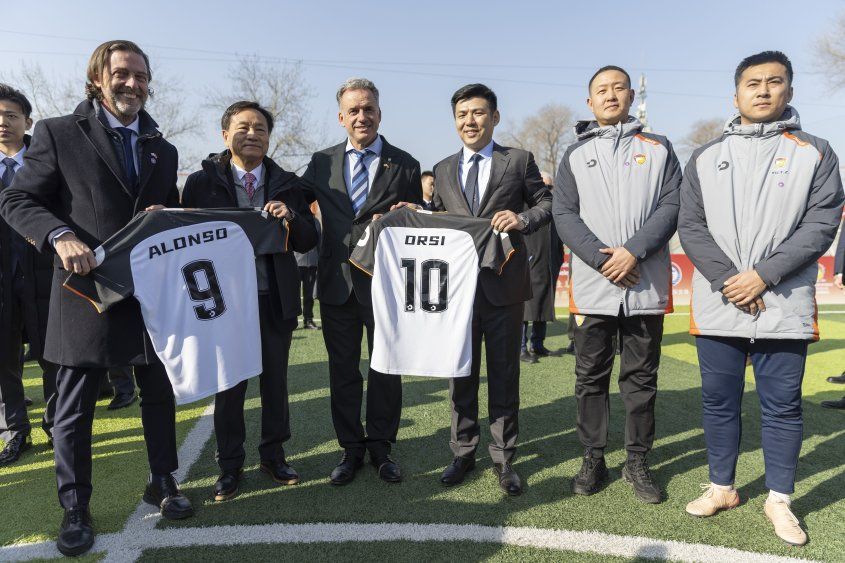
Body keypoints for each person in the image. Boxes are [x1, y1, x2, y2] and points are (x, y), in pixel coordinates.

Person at [0, 40, 194, 556]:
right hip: (82, 295)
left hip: (149, 296)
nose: (133, 84)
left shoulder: (164, 148)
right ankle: (75, 507)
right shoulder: (58, 132)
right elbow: (17, 198)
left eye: (141, 76)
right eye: (122, 74)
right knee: (75, 409)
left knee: (159, 394)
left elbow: (165, 213)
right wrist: (59, 236)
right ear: (97, 80)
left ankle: (163, 481)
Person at [678, 51, 844, 546]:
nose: (764, 90)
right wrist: (733, 280)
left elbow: (821, 224)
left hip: (783, 305)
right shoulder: (706, 155)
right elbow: (691, 225)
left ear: (789, 92)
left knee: (782, 406)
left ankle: (780, 499)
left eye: (775, 82)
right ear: (736, 95)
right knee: (718, 403)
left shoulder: (816, 151)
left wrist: (763, 277)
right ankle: (722, 486)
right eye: (754, 83)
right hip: (720, 302)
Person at [554, 65, 681, 504]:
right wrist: (601, 259)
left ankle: (637, 460)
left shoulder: (660, 148)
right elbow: (564, 215)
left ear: (631, 95)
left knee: (641, 378)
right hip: (593, 287)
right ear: (589, 102)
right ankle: (593, 456)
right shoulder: (574, 153)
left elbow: (671, 206)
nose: (610, 96)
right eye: (600, 91)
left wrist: (633, 252)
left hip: (643, 286)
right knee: (590, 376)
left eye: (618, 88)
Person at [182, 100, 317, 501]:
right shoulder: (201, 182)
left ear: (269, 137)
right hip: (223, 303)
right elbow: (184, 238)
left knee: (275, 382)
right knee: (229, 386)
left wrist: (291, 216)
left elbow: (310, 239)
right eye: (243, 127)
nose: (252, 134)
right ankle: (229, 465)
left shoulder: (289, 182)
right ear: (225, 134)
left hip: (273, 297)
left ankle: (274, 455)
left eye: (260, 128)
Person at [429, 83, 552, 495]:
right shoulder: (443, 168)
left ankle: (503, 458)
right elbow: (436, 221)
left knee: (504, 376)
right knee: (459, 375)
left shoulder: (518, 160)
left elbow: (547, 204)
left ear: (494, 117)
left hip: (504, 287)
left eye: (479, 113)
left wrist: (522, 219)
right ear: (455, 121)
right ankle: (462, 452)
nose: (470, 121)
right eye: (463, 114)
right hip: (456, 293)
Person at [299, 78, 422, 485]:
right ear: (341, 118)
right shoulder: (320, 162)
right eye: (353, 110)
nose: (361, 116)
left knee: (386, 368)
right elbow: (291, 198)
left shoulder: (404, 163)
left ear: (379, 114)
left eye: (368, 108)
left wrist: (412, 210)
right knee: (343, 371)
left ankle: (382, 447)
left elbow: (419, 217)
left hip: (385, 284)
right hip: (336, 285)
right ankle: (351, 449)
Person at [0, 83, 57, 463]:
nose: (3, 123)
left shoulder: (48, 162)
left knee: (53, 352)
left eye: (10, 115)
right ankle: (15, 431)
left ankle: (57, 425)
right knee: (4, 357)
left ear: (27, 121)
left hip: (46, 273)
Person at [521, 173, 563, 363]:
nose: (547, 190)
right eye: (543, 185)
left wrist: (558, 258)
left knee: (544, 304)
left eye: (550, 186)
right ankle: (521, 347)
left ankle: (537, 344)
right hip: (528, 263)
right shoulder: (524, 206)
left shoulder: (555, 208)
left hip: (548, 263)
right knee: (524, 307)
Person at [295, 201, 321, 330]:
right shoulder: (295, 218)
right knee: (293, 294)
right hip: (296, 261)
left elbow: (319, 241)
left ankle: (308, 319)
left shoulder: (316, 222)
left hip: (311, 262)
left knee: (309, 295)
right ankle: (292, 320)